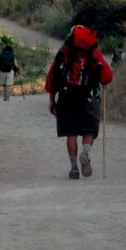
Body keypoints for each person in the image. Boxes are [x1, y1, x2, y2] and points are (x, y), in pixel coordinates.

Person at [45, 25, 113, 179]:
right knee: (89, 130)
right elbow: (107, 77)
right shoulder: (93, 52)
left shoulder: (65, 52)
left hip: (67, 96)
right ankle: (86, 153)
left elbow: (53, 75)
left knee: (71, 133)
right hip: (89, 98)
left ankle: (74, 167)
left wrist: (51, 99)